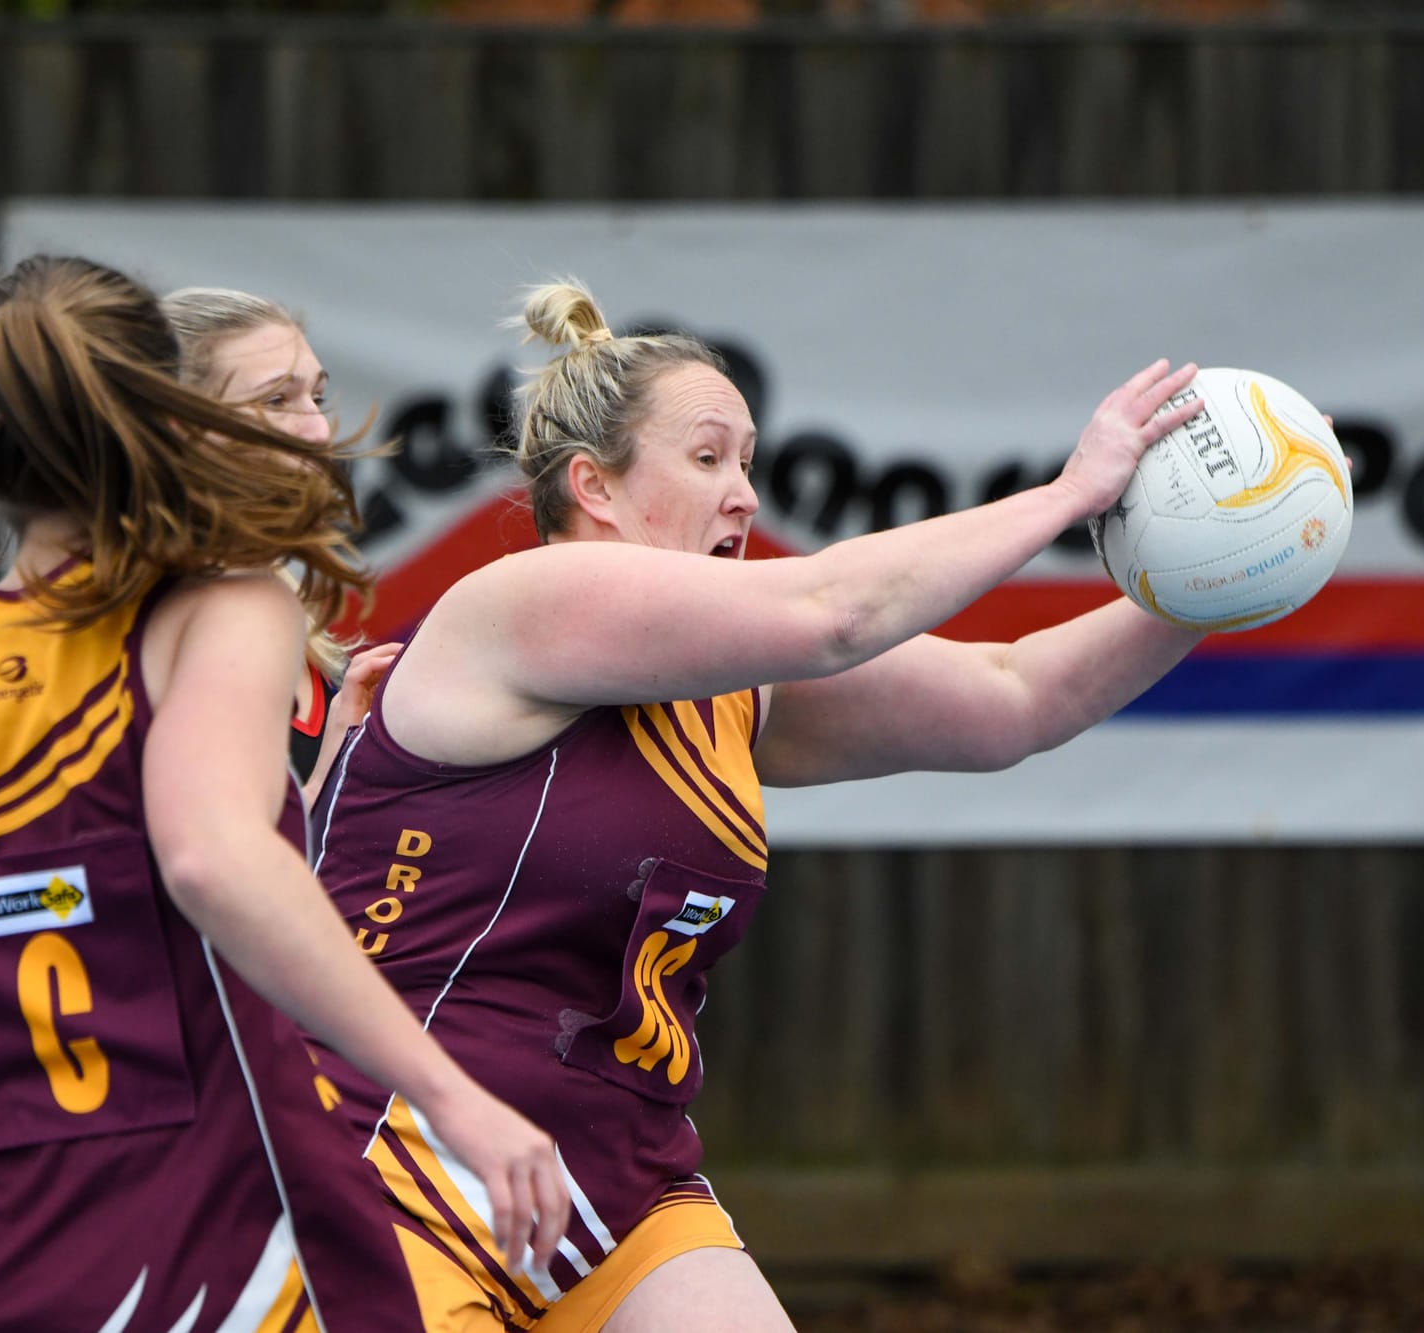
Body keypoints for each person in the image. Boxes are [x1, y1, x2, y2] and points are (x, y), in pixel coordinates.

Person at [0, 255, 568, 1333]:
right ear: (158, 426)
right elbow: (212, 858)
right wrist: (454, 1096)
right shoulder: (212, 622)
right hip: (224, 1257)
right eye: (277, 399)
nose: (310, 427)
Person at [305, 279, 1211, 1332]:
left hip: (617, 1179)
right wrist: (1066, 494)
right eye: (705, 460)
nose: (742, 493)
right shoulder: (518, 605)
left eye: (747, 461)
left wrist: (1219, 572)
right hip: (404, 1156)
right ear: (592, 485)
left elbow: (1013, 698)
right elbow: (833, 609)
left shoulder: (735, 687)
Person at [162, 285, 402, 796]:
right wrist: (325, 788)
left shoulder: (285, 619)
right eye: (277, 400)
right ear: (178, 429)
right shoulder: (141, 635)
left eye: (317, 396)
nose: (319, 431)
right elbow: (197, 866)